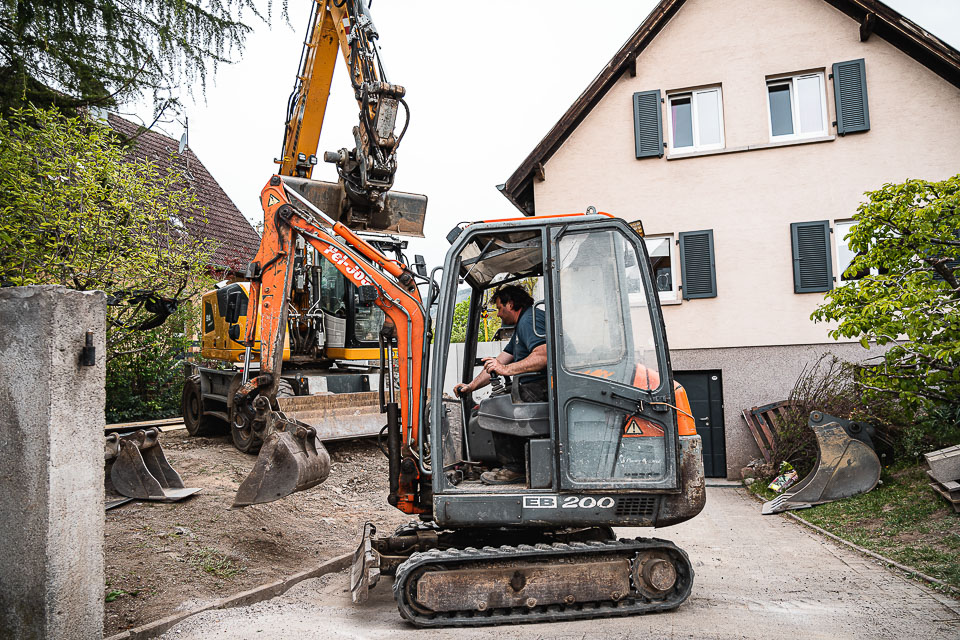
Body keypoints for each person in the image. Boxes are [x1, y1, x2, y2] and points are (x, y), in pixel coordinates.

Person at [454, 285, 547, 485]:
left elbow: (543, 355)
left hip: (542, 387)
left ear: (510, 304)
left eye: (499, 308)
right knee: (494, 402)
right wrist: (471, 386)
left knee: (495, 408)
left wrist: (507, 370)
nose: (498, 314)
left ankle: (515, 468)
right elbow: (500, 362)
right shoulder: (522, 325)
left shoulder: (530, 320)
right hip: (532, 386)